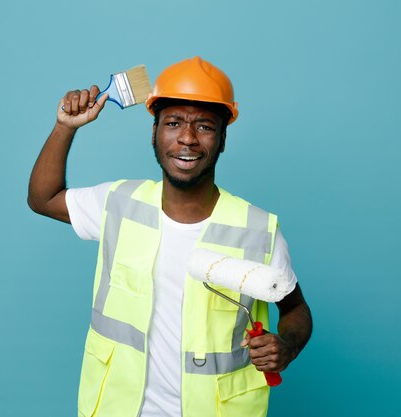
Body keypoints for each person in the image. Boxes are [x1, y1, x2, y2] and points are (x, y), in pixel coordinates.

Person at [28, 56, 312, 417]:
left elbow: (295, 309)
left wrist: (285, 344)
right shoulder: (119, 203)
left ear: (223, 139)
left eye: (205, 126)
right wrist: (64, 127)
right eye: (174, 123)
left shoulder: (257, 229)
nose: (187, 139)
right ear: (154, 133)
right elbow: (43, 198)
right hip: (118, 408)